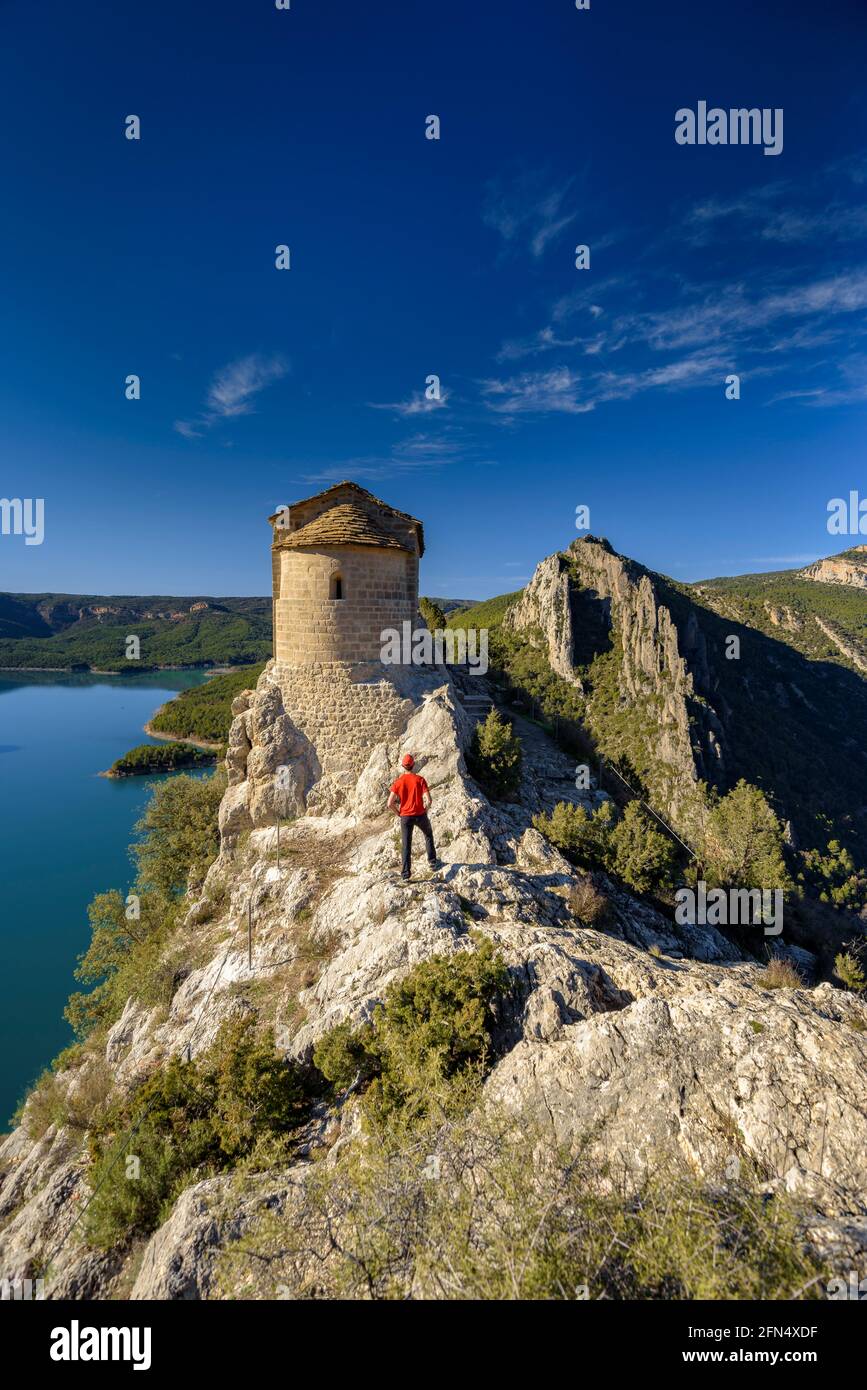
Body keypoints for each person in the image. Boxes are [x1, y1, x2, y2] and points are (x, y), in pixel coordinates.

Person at [388, 754, 443, 881]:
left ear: (403, 766)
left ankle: (406, 875)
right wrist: (425, 810)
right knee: (428, 835)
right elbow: (429, 800)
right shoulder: (420, 780)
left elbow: (389, 803)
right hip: (420, 814)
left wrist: (399, 813)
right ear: (413, 765)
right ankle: (432, 862)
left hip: (405, 817)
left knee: (406, 844)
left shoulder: (398, 782)